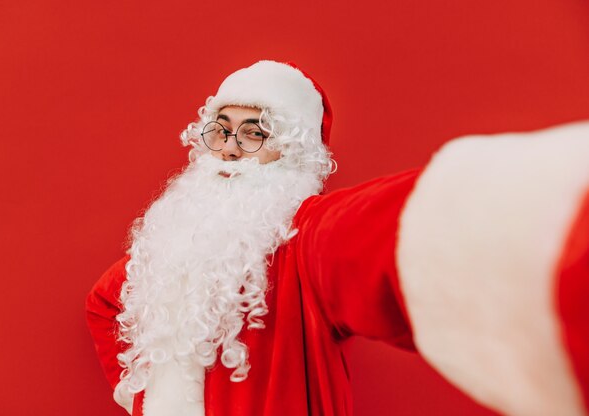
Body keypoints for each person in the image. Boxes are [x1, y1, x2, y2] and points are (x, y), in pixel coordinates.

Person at [86, 60, 589, 416]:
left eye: (254, 133)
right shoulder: (170, 240)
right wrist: (142, 395)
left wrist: (551, 212)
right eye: (220, 129)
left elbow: (380, 232)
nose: (231, 150)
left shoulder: (306, 235)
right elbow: (105, 302)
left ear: (291, 152)